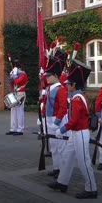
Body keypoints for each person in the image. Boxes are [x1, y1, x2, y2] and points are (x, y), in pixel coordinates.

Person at [48, 59, 98, 199]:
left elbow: (74, 120)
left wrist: (61, 130)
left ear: (74, 85)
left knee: (84, 162)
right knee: (67, 158)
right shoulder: (77, 97)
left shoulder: (77, 99)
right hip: (75, 133)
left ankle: (91, 188)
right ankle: (62, 182)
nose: (67, 86)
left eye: (69, 84)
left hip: (80, 133)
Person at [42, 50, 68, 178]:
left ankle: (63, 170)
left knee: (61, 146)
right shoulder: (49, 89)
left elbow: (63, 107)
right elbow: (46, 103)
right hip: (49, 119)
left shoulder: (61, 89)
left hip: (59, 120)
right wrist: (42, 116)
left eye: (49, 75)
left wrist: (57, 123)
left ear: (56, 76)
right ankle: (56, 168)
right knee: (54, 146)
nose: (46, 77)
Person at [6, 59, 28, 136]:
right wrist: (11, 76)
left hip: (21, 93)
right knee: (13, 111)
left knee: (19, 111)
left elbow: (18, 82)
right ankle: (13, 128)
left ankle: (20, 129)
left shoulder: (23, 74)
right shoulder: (17, 74)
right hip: (15, 93)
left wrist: (15, 75)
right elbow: (13, 84)